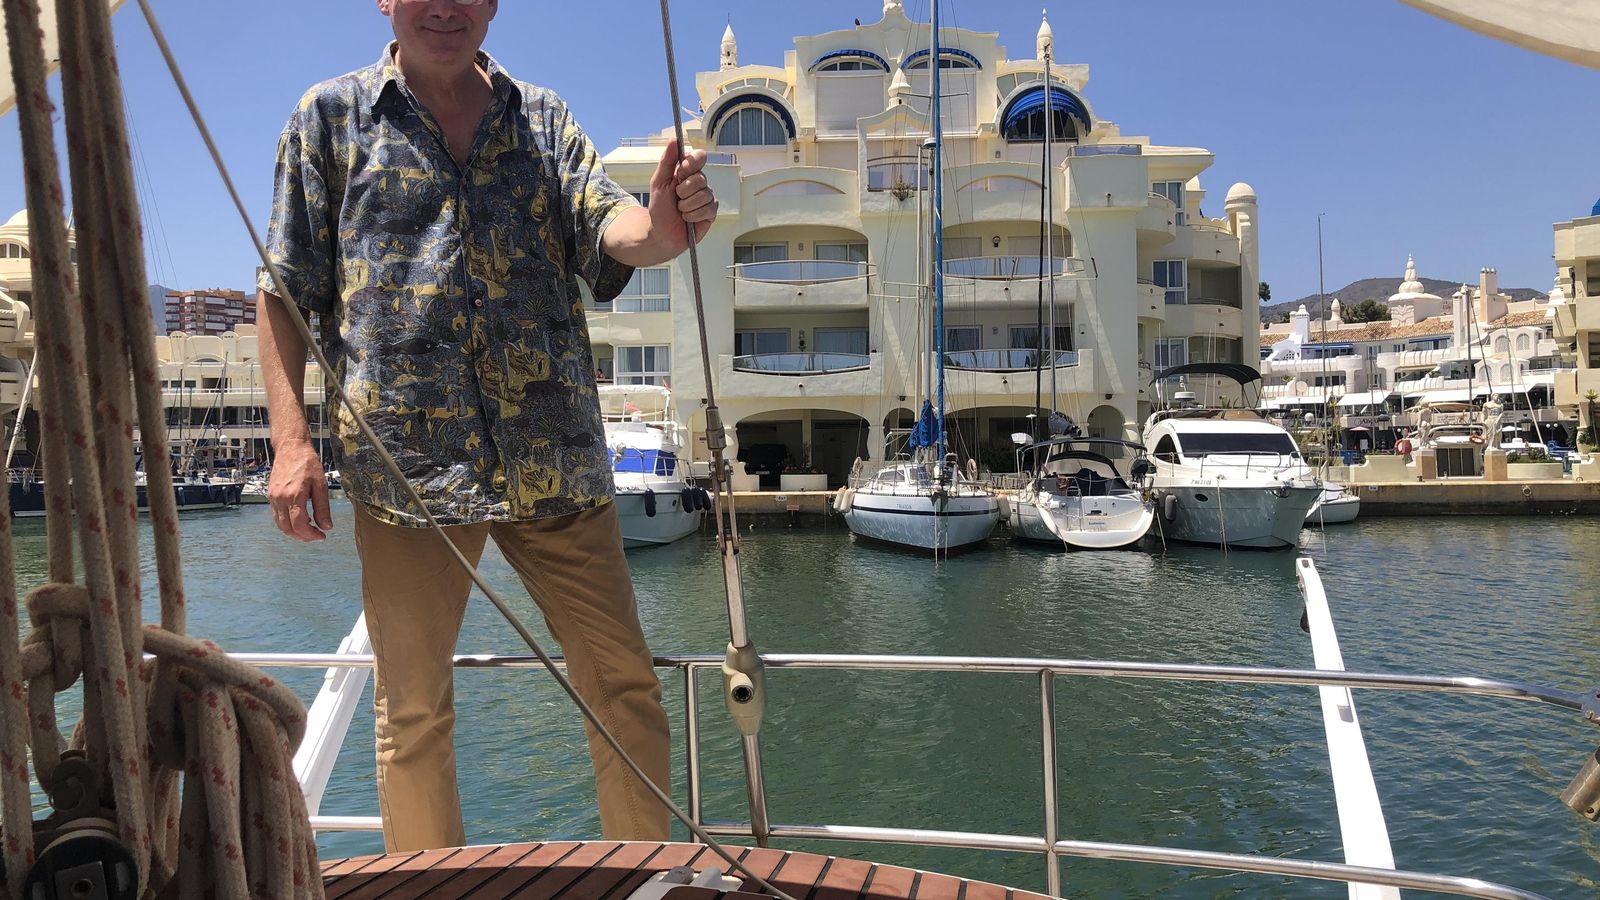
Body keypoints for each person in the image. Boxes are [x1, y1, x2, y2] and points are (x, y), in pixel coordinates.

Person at [255, 0, 717, 853]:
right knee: (415, 714)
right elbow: (283, 290)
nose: (445, 7)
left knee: (625, 692)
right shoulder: (327, 120)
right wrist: (290, 444)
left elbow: (614, 226)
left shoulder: (541, 117)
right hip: (406, 476)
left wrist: (662, 224)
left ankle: (647, 875)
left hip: (556, 466)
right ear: (386, 1)